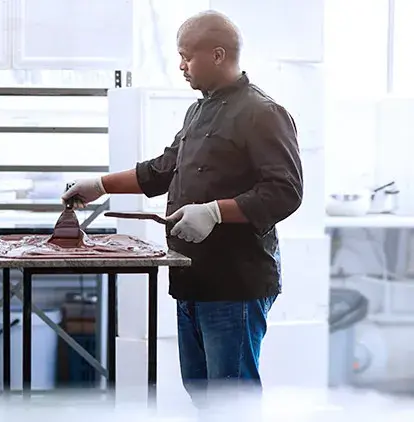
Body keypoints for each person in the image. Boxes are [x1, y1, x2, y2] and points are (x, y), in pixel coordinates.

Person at [62, 11, 303, 406]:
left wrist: (215, 211)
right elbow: (161, 171)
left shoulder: (263, 112)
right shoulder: (199, 110)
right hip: (193, 277)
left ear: (219, 55)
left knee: (231, 398)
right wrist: (99, 185)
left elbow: (285, 192)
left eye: (186, 56)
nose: (180, 66)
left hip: (235, 283)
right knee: (202, 393)